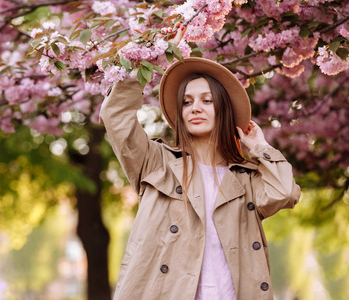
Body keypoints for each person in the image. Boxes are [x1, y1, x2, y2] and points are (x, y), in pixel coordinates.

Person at [99, 46, 301, 300]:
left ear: (223, 110)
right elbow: (115, 116)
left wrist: (260, 148)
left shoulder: (245, 179)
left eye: (207, 100)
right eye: (187, 102)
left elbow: (284, 192)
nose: (195, 108)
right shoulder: (156, 163)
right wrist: (139, 61)